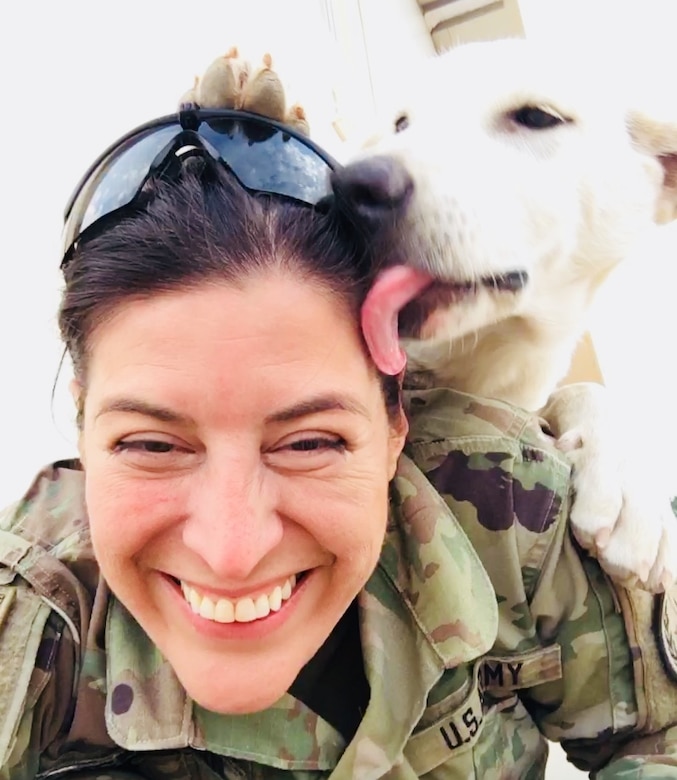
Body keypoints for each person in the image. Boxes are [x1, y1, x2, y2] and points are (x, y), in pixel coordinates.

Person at [1, 106, 676, 780]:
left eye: (309, 443)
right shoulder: (34, 607)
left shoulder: (508, 499)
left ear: (395, 425)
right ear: (84, 423)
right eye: (152, 445)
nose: (231, 552)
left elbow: (657, 735)